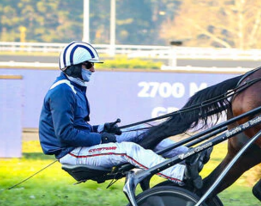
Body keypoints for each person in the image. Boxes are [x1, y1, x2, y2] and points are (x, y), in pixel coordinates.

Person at [39, 41, 203, 185]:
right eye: (88, 65)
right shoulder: (62, 91)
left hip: (80, 147)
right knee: (128, 149)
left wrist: (103, 128)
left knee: (142, 131)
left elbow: (79, 127)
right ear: (74, 66)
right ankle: (180, 174)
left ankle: (189, 156)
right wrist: (102, 138)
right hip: (72, 153)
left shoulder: (73, 88)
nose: (93, 69)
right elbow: (65, 134)